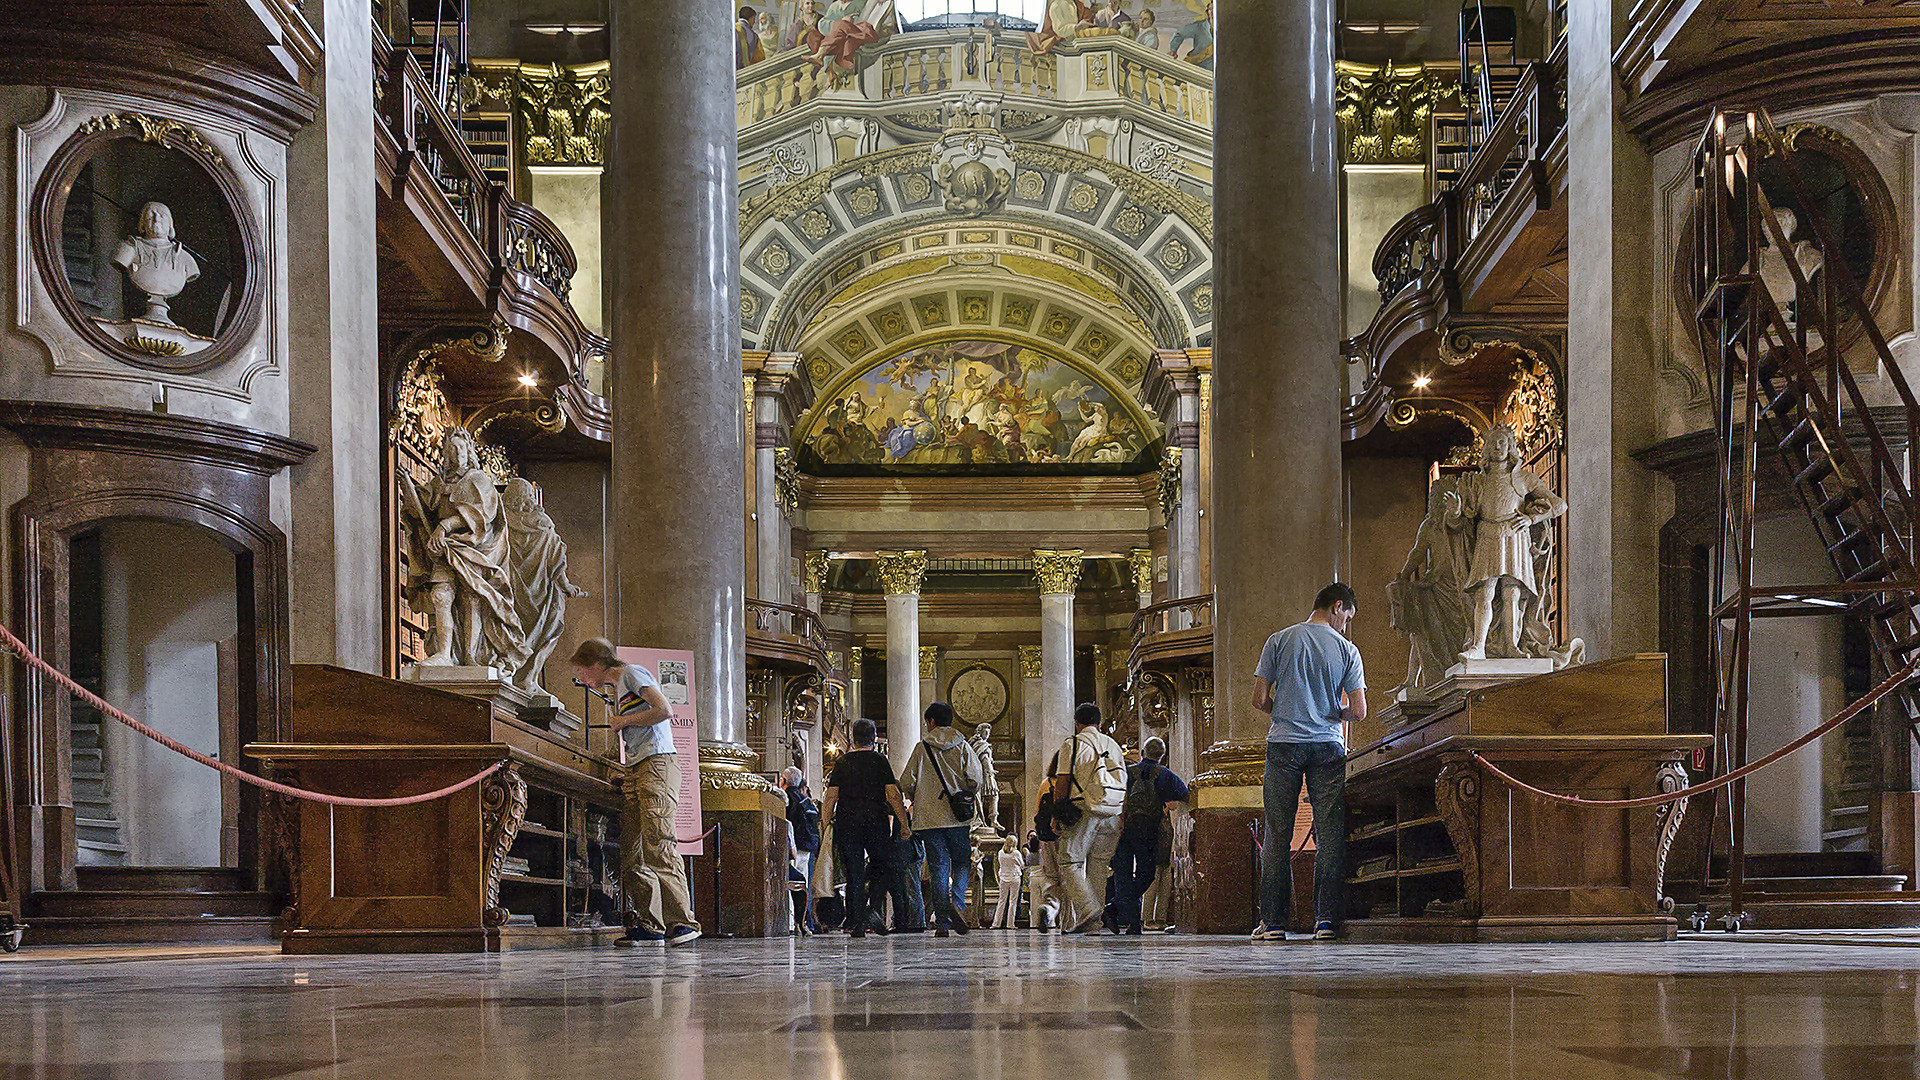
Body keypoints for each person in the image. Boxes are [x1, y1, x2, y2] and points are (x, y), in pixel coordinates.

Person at [1252, 583, 1367, 942]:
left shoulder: (1279, 640)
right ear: (1337, 606)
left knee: (1277, 835)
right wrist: (1332, 713)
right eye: (1346, 617)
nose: (1345, 626)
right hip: (1328, 747)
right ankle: (1326, 922)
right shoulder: (1347, 649)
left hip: (1284, 744)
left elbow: (1258, 700)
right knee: (1330, 836)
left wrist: (1286, 709)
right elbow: (1359, 711)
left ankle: (1273, 925)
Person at [570, 638, 700, 947]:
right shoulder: (619, 687)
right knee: (634, 851)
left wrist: (622, 721)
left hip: (657, 764)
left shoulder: (631, 673)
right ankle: (650, 924)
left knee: (658, 844)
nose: (582, 679)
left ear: (596, 665)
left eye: (582, 671)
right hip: (640, 766)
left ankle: (683, 922)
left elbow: (664, 709)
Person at [900, 702, 990, 937]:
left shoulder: (922, 748)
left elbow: (906, 782)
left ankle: (942, 923)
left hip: (930, 820)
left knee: (938, 868)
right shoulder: (963, 746)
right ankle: (958, 902)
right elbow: (976, 780)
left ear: (930, 722)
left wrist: (919, 795)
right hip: (957, 818)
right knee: (961, 863)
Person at [822, 718, 912, 939]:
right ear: (873, 738)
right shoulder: (880, 761)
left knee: (854, 872)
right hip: (876, 822)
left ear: (852, 738)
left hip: (847, 823)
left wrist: (825, 823)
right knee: (881, 868)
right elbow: (893, 795)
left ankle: (857, 922)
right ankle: (873, 909)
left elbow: (831, 796)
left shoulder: (842, 762)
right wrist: (904, 823)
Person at [1050, 702, 1128, 934]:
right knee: (1099, 864)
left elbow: (1062, 781)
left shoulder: (1072, 744)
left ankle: (1089, 910)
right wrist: (1121, 815)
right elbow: (1123, 781)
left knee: (1069, 861)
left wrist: (1056, 814)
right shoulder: (1113, 745)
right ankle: (1094, 924)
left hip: (1083, 809)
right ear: (1099, 722)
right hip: (1112, 811)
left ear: (1077, 722)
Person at [1111, 736, 1189, 935]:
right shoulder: (1165, 775)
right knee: (1146, 875)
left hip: (1123, 830)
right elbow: (1185, 794)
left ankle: (1130, 921)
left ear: (1144, 753)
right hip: (1148, 832)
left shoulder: (1128, 772)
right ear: (1162, 756)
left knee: (1123, 876)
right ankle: (1117, 910)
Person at [780, 766, 821, 933]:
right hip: (809, 848)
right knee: (804, 885)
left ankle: (792, 923)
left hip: (795, 848)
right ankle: (805, 923)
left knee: (791, 886)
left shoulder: (786, 798)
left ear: (783, 780)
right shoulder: (805, 800)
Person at [990, 835, 1024, 929]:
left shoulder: (1000, 852)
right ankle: (1010, 924)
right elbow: (1022, 865)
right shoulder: (1016, 853)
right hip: (1014, 877)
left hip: (1003, 877)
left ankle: (996, 923)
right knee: (1013, 901)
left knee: (1001, 900)